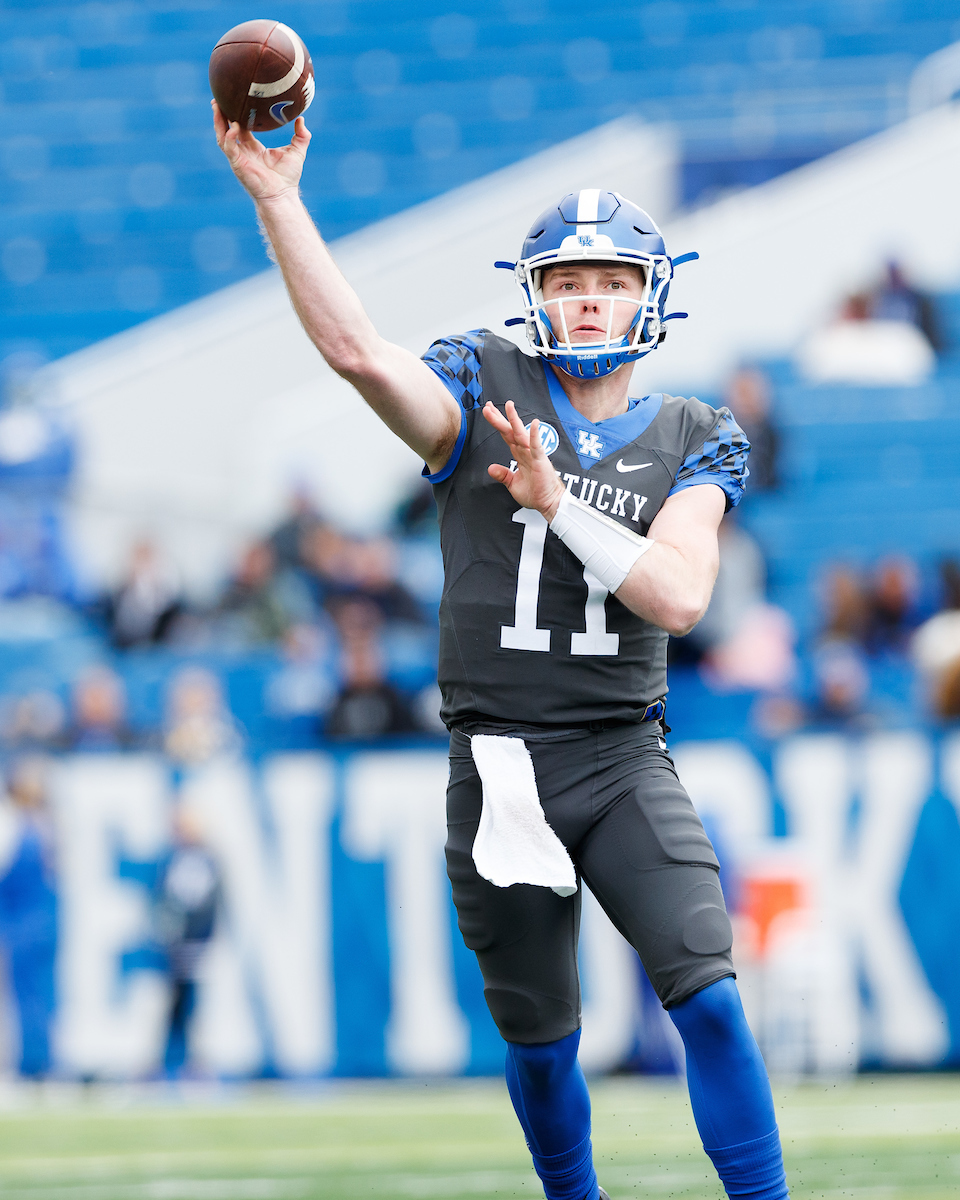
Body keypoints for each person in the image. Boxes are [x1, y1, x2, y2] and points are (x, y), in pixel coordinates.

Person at [214, 104, 789, 1200]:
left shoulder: (693, 431)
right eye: (569, 278)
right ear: (536, 294)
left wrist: (556, 499)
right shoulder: (482, 383)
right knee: (541, 1042)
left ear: (649, 295)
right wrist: (279, 198)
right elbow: (356, 353)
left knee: (709, 994)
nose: (588, 297)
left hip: (622, 757)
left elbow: (676, 594)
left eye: (612, 279)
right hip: (501, 770)